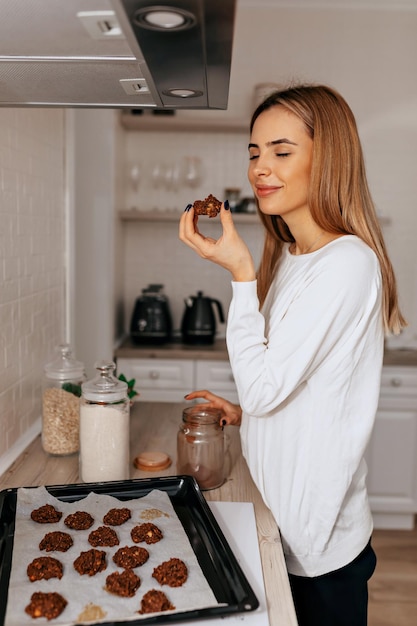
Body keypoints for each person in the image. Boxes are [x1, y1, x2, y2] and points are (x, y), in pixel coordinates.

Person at [179, 83, 406, 626]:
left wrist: (238, 275)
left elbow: (266, 386)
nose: (261, 167)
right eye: (255, 152)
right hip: (277, 524)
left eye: (282, 152)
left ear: (326, 159)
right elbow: (287, 384)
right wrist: (243, 412)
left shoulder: (347, 262)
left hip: (319, 550)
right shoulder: (292, 254)